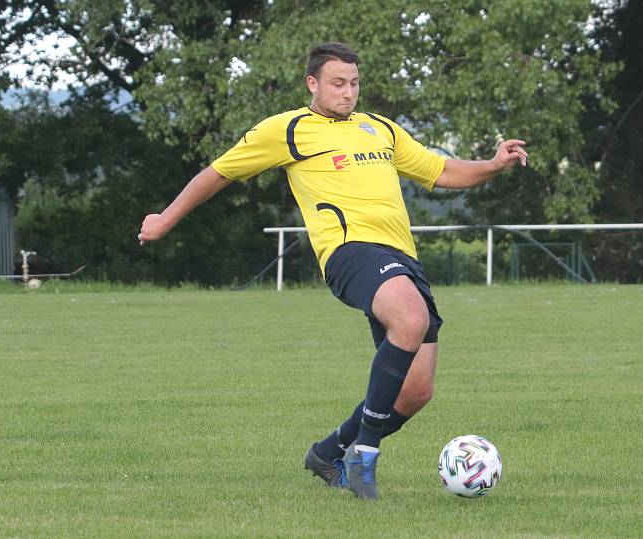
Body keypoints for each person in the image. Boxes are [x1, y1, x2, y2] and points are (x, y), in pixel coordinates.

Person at [138, 42, 527, 500]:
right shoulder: (287, 129)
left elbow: (439, 171)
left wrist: (494, 165)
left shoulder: (379, 128)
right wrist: (165, 218)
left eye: (355, 83)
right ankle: (364, 453)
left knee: (415, 392)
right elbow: (218, 172)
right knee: (410, 318)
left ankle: (327, 452)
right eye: (338, 84)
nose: (348, 93)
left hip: (402, 257)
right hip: (348, 251)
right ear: (313, 84)